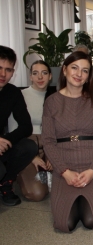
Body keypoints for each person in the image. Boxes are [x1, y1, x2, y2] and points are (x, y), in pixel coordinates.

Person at [42, 51, 93, 232]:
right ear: (64, 70)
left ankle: (90, 194)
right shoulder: (51, 102)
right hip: (64, 164)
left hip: (92, 164)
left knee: (92, 220)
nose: (79, 74)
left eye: (85, 70)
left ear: (89, 76)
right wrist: (64, 172)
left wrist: (92, 170)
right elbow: (48, 141)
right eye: (74, 67)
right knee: (64, 224)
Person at [8, 60, 54, 201]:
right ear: (30, 77)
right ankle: (15, 177)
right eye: (35, 73)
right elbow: (13, 130)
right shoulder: (20, 96)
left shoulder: (56, 97)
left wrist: (52, 154)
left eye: (44, 73)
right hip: (26, 146)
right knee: (37, 193)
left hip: (50, 144)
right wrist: (31, 156)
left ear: (50, 76)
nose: (40, 77)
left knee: (69, 186)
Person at [0, 46, 37, 206]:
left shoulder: (13, 92)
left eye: (8, 70)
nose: (3, 74)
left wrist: (5, 140)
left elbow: (26, 126)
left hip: (2, 144)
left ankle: (6, 183)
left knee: (29, 147)